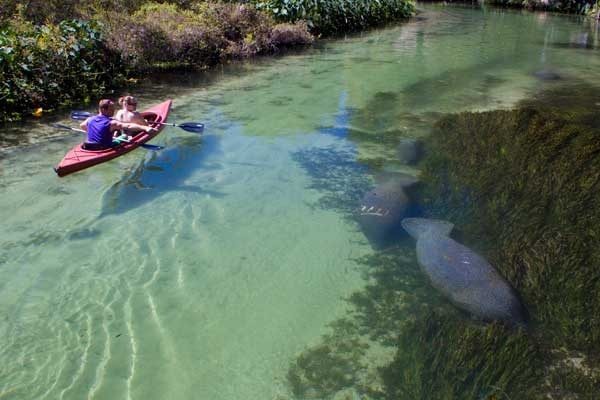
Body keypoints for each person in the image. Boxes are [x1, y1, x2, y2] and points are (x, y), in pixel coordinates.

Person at [80, 99, 156, 150]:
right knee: (125, 136)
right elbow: (128, 126)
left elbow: (82, 126)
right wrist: (145, 128)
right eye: (111, 109)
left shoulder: (90, 119)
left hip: (87, 146)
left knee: (114, 133)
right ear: (103, 109)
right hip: (103, 148)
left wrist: (97, 132)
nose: (114, 111)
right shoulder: (111, 123)